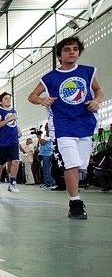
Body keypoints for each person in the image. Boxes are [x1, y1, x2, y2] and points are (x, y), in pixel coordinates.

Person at [28, 36, 104, 219]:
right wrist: (41, 100)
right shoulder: (50, 78)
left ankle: (75, 181)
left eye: (75, 49)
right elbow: (32, 95)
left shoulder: (87, 72)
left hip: (85, 125)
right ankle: (75, 203)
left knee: (80, 168)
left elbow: (99, 90)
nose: (72, 52)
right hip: (62, 126)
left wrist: (96, 100)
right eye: (67, 49)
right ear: (60, 55)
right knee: (71, 164)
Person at [0, 92, 22, 197]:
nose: (8, 100)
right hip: (2, 142)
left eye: (9, 98)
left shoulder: (14, 111)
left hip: (13, 140)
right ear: (1, 102)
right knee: (1, 164)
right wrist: (9, 118)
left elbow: (14, 123)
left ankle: (12, 183)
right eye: (6, 98)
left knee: (16, 161)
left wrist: (18, 130)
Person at [38, 123, 56, 189]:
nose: (45, 128)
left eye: (46, 127)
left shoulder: (49, 134)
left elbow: (42, 142)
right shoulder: (48, 134)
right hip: (47, 154)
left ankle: (49, 183)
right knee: (48, 169)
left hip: (47, 154)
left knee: (47, 170)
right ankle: (50, 182)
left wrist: (39, 137)